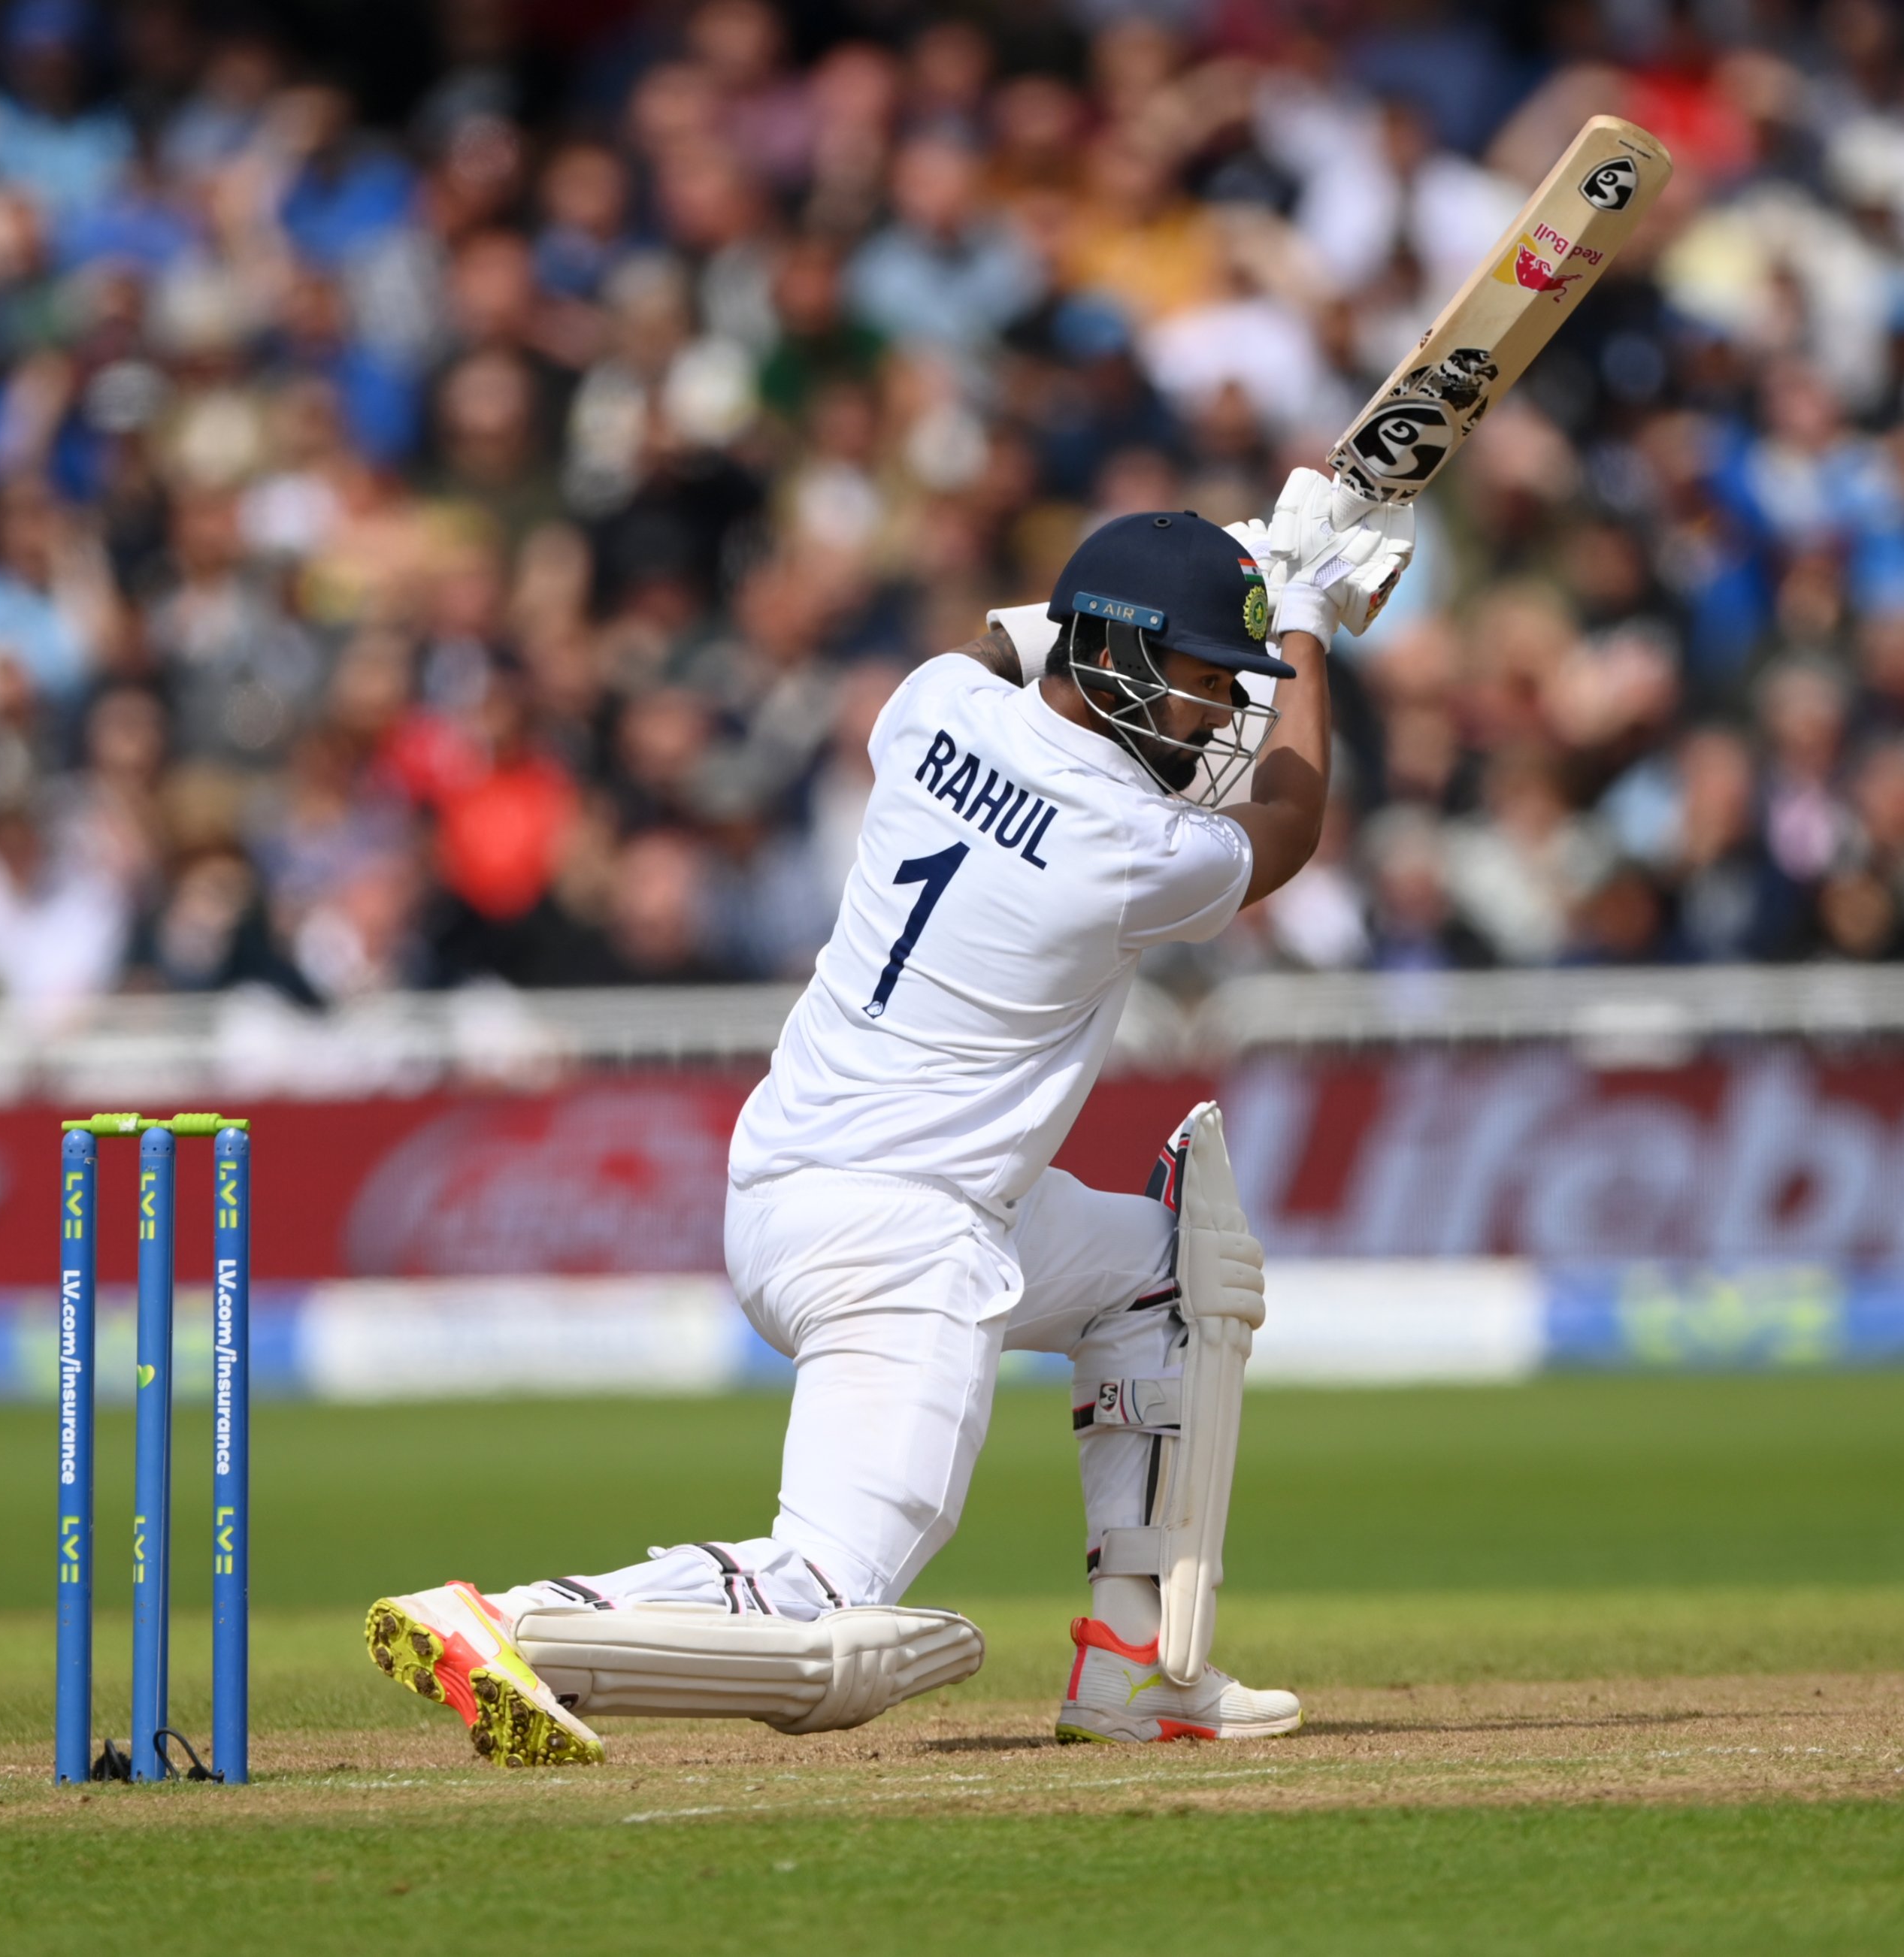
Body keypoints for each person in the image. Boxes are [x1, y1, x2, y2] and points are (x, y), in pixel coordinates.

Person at [365, 480, 1409, 1761]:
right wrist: (1304, 613)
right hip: (901, 1236)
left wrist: (1222, 573)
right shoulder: (1126, 844)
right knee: (829, 1596)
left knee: (1171, 1274)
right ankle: (513, 1622)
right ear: (1121, 658)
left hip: (805, 1186)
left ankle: (1137, 1665)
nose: (1224, 711)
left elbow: (1006, 642)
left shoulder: (929, 703)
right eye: (1203, 677)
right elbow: (1291, 827)